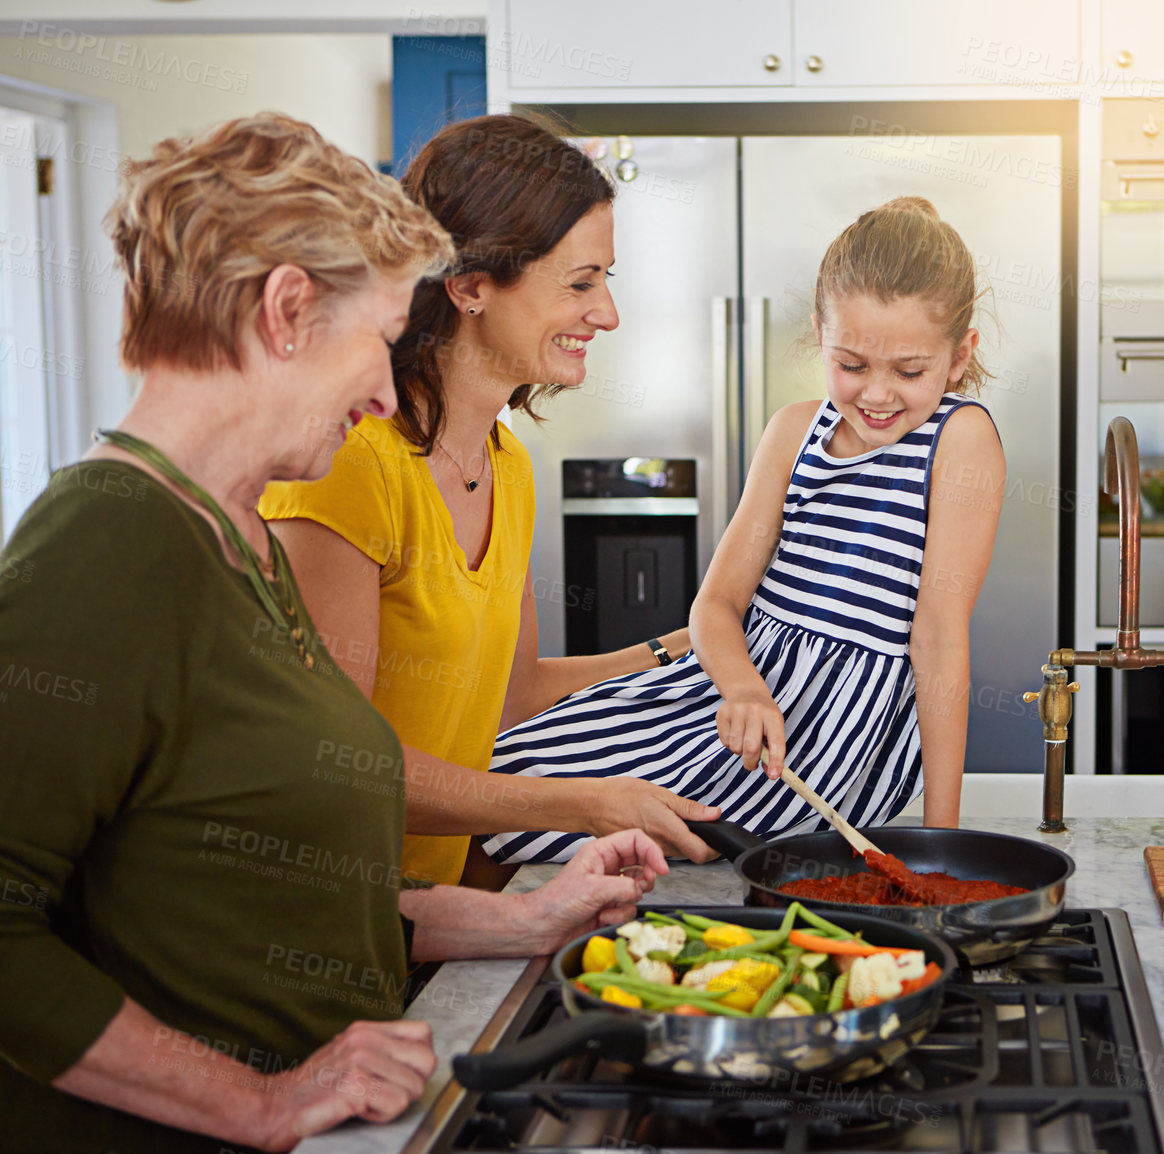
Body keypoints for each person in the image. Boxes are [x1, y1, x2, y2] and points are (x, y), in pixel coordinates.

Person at [0, 113, 667, 1154]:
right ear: (286, 310)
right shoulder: (107, 539)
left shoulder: (240, 544)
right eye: (377, 338)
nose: (378, 386)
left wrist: (526, 918)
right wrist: (256, 1101)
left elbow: (295, 870)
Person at [260, 114, 721, 890]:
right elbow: (335, 761)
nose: (606, 313)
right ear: (470, 285)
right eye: (579, 283)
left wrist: (686, 651)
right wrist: (581, 806)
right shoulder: (346, 463)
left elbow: (510, 699)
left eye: (606, 280)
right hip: (305, 926)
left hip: (422, 918)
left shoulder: (506, 466)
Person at [483, 196, 1006, 864]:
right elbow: (718, 604)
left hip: (825, 745)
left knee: (568, 823)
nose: (876, 395)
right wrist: (741, 688)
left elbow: (937, 639)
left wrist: (941, 843)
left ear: (960, 355)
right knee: (506, 777)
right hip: (728, 701)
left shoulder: (960, 440)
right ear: (819, 332)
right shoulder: (793, 431)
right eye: (850, 365)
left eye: (909, 371)